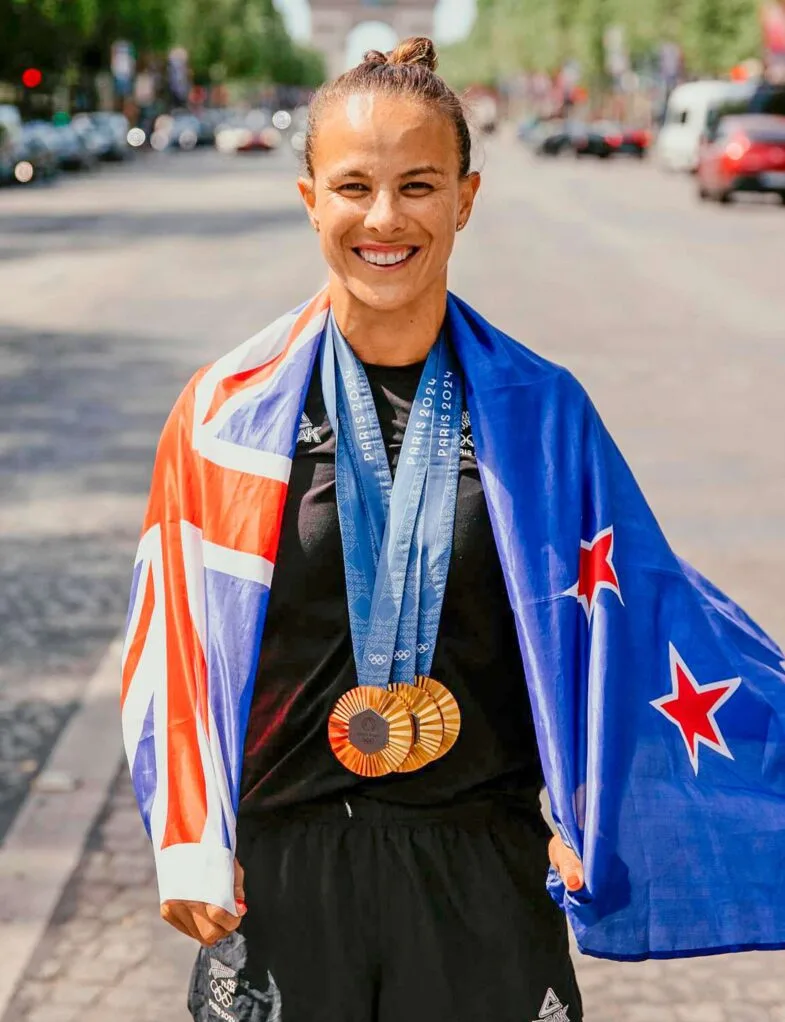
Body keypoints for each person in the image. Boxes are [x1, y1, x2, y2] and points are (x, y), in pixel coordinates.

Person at [121, 35, 785, 1022]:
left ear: (464, 199)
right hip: (286, 880)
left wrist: (594, 813)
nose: (383, 218)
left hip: (482, 881)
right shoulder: (223, 414)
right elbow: (171, 641)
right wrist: (184, 835)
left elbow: (645, 624)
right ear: (311, 200)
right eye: (353, 186)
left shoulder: (541, 413)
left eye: (418, 185)